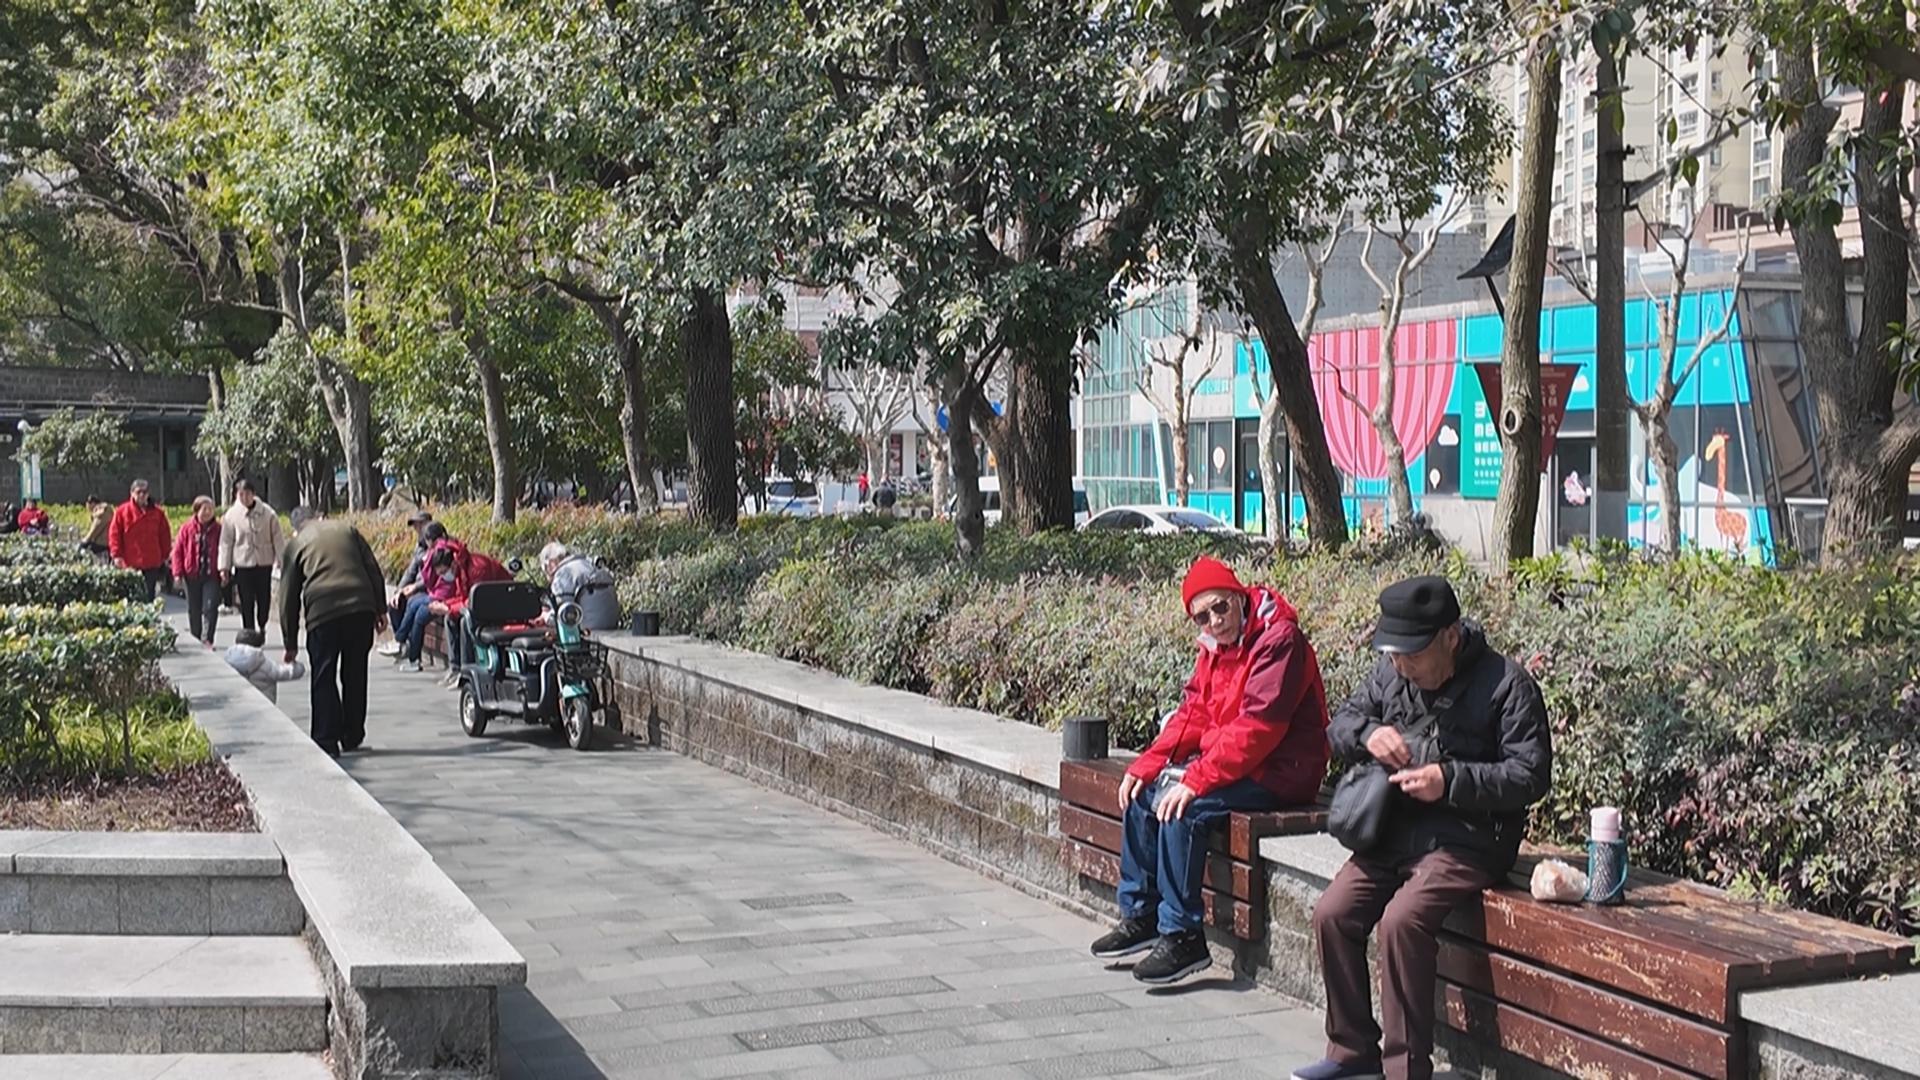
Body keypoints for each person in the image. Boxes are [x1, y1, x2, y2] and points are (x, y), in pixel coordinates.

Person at [1291, 576, 1552, 1080]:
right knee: (1332, 912)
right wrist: (1368, 734)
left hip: (1470, 839)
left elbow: (1530, 775)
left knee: (1401, 922)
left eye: (1411, 654)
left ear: (1450, 637)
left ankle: (1406, 1069)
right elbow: (1339, 724)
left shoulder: (1507, 684)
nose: (1400, 665)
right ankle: (1350, 1051)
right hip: (1393, 829)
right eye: (1392, 653)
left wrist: (1449, 780)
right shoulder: (1390, 674)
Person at [1090, 556, 1331, 985]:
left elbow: (1260, 729)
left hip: (1281, 771)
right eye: (1202, 616)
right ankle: (1142, 915)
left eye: (1221, 607)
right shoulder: (1214, 647)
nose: (1215, 621)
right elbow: (1194, 713)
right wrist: (1149, 763)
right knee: (1143, 796)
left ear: (1239, 597)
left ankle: (1183, 935)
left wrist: (1197, 778)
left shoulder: (1279, 639)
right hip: (1236, 762)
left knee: (1183, 808)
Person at [279, 511, 388, 758]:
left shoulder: (297, 543)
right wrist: (380, 609)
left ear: (296, 527)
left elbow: (287, 596)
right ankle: (352, 734)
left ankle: (326, 738)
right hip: (360, 607)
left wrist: (290, 642)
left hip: (323, 611)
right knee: (355, 672)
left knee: (323, 674)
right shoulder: (347, 530)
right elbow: (372, 569)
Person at [218, 479, 286, 634]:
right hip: (242, 563)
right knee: (246, 599)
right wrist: (224, 567)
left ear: (254, 494)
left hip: (263, 562)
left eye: (247, 494)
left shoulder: (268, 513)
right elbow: (226, 542)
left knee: (264, 598)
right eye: (241, 494)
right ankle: (248, 630)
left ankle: (262, 624)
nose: (244, 498)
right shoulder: (231, 516)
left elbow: (278, 537)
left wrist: (281, 559)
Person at [379, 520, 446, 659]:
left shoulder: (442, 551)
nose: (417, 530)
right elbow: (410, 572)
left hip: (434, 592)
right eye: (415, 527)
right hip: (428, 590)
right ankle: (403, 646)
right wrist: (399, 591)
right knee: (396, 605)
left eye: (420, 525)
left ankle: (403, 645)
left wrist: (415, 587)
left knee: (416, 608)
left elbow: (433, 578)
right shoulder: (421, 548)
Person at [170, 496, 225, 647]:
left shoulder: (219, 529)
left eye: (211, 509)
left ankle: (207, 639)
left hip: (211, 575)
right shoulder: (187, 528)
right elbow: (177, 552)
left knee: (210, 606)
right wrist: (177, 573)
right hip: (192, 575)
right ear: (196, 510)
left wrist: (224, 569)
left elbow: (225, 549)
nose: (208, 512)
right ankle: (195, 637)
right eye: (204, 509)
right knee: (194, 609)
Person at [110, 480, 173, 601]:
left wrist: (165, 555)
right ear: (132, 493)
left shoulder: (158, 513)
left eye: (145, 492)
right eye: (138, 492)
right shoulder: (122, 512)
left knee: (149, 596)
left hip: (151, 562)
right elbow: (114, 535)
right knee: (131, 597)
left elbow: (165, 535)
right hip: (129, 563)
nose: (142, 495)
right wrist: (116, 555)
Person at [539, 542, 620, 631]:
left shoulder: (564, 573)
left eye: (545, 568)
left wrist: (546, 616)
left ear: (551, 563)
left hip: (589, 632)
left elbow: (564, 614)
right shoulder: (589, 564)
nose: (546, 574)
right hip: (613, 628)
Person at [225, 628, 305, 704]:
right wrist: (299, 667)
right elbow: (284, 672)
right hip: (263, 704)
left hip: (238, 704)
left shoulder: (229, 662)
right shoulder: (263, 664)